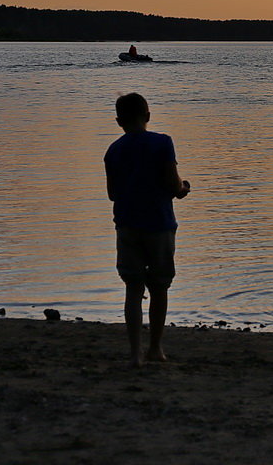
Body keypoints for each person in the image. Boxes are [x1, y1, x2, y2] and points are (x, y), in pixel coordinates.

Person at [104, 93, 190, 367]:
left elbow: (113, 193)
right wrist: (183, 189)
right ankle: (155, 348)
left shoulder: (113, 151)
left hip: (127, 225)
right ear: (148, 116)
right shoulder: (162, 143)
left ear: (119, 122)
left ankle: (134, 354)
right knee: (160, 287)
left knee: (133, 288)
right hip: (159, 225)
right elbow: (173, 185)